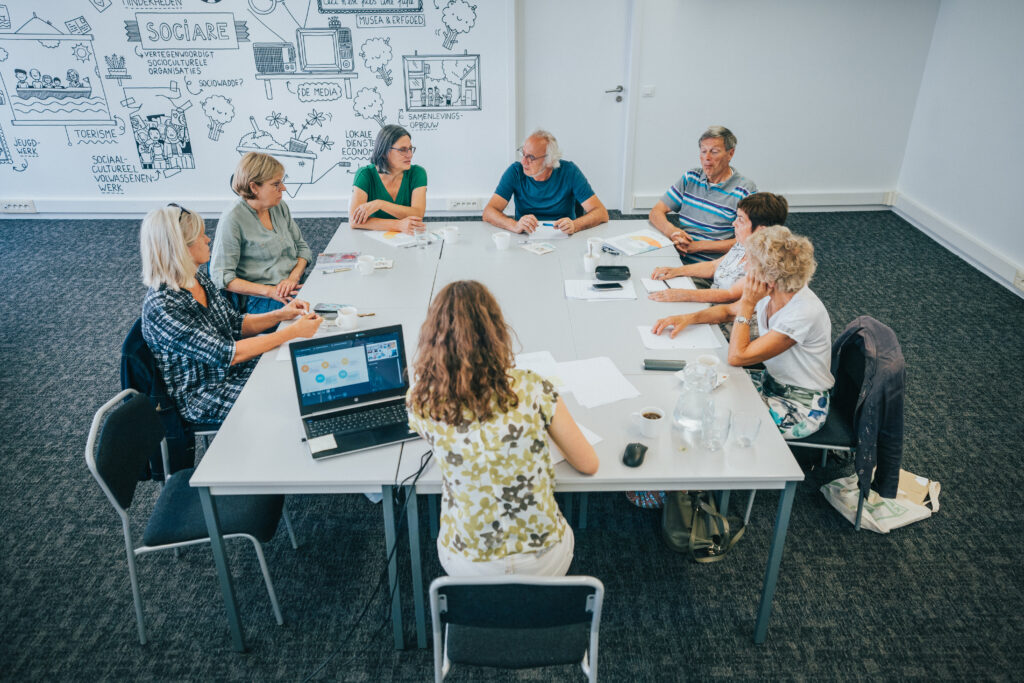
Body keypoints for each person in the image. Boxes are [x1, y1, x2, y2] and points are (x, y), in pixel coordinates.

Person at [406, 280, 599, 576]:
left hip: (468, 565)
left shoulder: (421, 400)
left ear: (432, 337)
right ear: (497, 332)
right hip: (545, 562)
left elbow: (433, 437)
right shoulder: (533, 387)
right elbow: (588, 464)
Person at [141, 204, 322, 424]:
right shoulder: (163, 306)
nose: (208, 240)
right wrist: (292, 332)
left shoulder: (196, 278)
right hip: (205, 394)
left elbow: (235, 324)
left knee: (298, 372)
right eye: (201, 236)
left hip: (230, 370)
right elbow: (229, 354)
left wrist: (281, 314)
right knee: (290, 400)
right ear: (181, 248)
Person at [653, 225, 833, 438]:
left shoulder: (802, 312)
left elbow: (738, 356)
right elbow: (728, 312)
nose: (745, 266)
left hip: (799, 405)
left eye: (750, 262)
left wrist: (747, 302)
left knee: (714, 421)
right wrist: (689, 318)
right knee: (697, 390)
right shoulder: (774, 291)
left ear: (769, 277)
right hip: (770, 382)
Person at [209, 152, 313, 314]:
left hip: (294, 283)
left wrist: (292, 278)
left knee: (335, 296)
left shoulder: (279, 207)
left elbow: (302, 248)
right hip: (262, 298)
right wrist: (271, 291)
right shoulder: (232, 218)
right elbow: (222, 278)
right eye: (276, 184)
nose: (283, 188)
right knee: (316, 312)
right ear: (254, 187)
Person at [647, 192, 789, 304]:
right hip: (712, 300)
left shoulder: (767, 264)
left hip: (729, 316)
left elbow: (729, 295)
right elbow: (714, 266)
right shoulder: (743, 243)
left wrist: (683, 294)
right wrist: (676, 271)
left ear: (761, 231)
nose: (734, 223)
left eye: (741, 220)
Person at [648, 126, 757, 264]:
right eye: (703, 151)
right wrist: (673, 232)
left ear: (730, 154)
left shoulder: (745, 190)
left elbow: (749, 241)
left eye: (714, 152)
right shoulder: (691, 177)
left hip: (710, 267)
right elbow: (656, 212)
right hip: (676, 255)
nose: (707, 158)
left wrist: (697, 247)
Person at [483, 129, 608, 236]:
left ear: (549, 161)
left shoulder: (570, 171)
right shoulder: (515, 171)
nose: (523, 162)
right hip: (526, 236)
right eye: (523, 154)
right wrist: (514, 225)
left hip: (563, 235)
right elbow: (489, 212)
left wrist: (575, 225)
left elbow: (601, 213)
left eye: (531, 157)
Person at [349, 124, 427, 234]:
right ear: (384, 152)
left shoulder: (417, 173)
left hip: (407, 240)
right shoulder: (365, 174)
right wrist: (398, 225)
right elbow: (354, 221)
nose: (409, 155)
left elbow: (418, 214)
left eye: (410, 149)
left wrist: (380, 204)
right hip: (371, 241)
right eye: (402, 150)